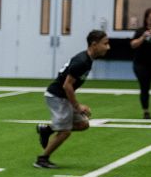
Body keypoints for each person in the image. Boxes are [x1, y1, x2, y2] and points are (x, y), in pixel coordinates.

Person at [34, 30, 111, 169]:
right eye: (105, 43)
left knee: (83, 124)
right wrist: (78, 106)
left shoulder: (88, 60)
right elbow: (67, 85)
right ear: (94, 44)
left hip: (63, 96)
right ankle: (42, 159)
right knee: (65, 131)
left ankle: (47, 130)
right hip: (57, 96)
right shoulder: (82, 61)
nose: (108, 47)